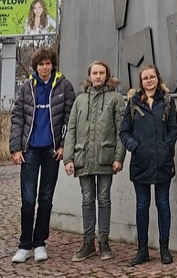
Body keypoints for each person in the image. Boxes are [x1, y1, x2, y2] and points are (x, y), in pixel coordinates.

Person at [9, 46, 75, 263]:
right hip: (30, 150)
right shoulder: (27, 87)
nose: (45, 67)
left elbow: (70, 118)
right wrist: (16, 148)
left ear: (52, 65)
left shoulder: (64, 86)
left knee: (45, 199)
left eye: (48, 64)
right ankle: (24, 244)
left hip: (52, 151)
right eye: (41, 64)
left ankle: (39, 243)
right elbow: (18, 116)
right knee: (28, 200)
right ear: (35, 67)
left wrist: (64, 145)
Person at [63, 60, 125, 262]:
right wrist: (68, 158)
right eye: (95, 73)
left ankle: (104, 242)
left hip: (105, 157)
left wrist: (119, 157)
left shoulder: (115, 98)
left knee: (104, 199)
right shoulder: (80, 100)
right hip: (83, 156)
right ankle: (88, 243)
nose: (98, 76)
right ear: (89, 76)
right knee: (87, 200)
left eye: (101, 73)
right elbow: (71, 129)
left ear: (107, 75)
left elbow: (121, 130)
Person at [120, 64, 177, 265]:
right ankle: (142, 250)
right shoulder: (133, 103)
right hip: (141, 162)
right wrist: (134, 147)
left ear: (157, 78)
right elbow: (124, 131)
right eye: (145, 78)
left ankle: (164, 248)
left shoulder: (167, 102)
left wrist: (165, 147)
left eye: (152, 77)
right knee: (142, 205)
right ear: (141, 81)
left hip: (163, 162)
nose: (149, 80)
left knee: (162, 204)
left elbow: (174, 130)